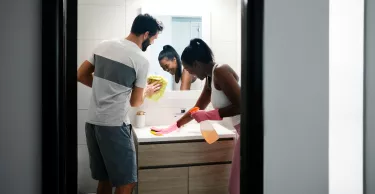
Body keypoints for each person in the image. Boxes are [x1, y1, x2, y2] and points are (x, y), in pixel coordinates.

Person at [77, 13, 163, 194]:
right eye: (154, 38)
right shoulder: (140, 59)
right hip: (115, 126)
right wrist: (146, 91)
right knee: (127, 183)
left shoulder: (103, 45)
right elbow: (135, 102)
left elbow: (80, 74)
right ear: (146, 34)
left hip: (92, 124)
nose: (153, 43)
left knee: (105, 180)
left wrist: (105, 88)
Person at [151, 38, 241, 194]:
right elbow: (196, 109)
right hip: (240, 130)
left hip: (251, 131)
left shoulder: (221, 70)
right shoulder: (210, 78)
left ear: (197, 64)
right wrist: (172, 127)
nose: (190, 74)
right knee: (236, 186)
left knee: (235, 188)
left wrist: (208, 115)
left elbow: (242, 105)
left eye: (188, 69)